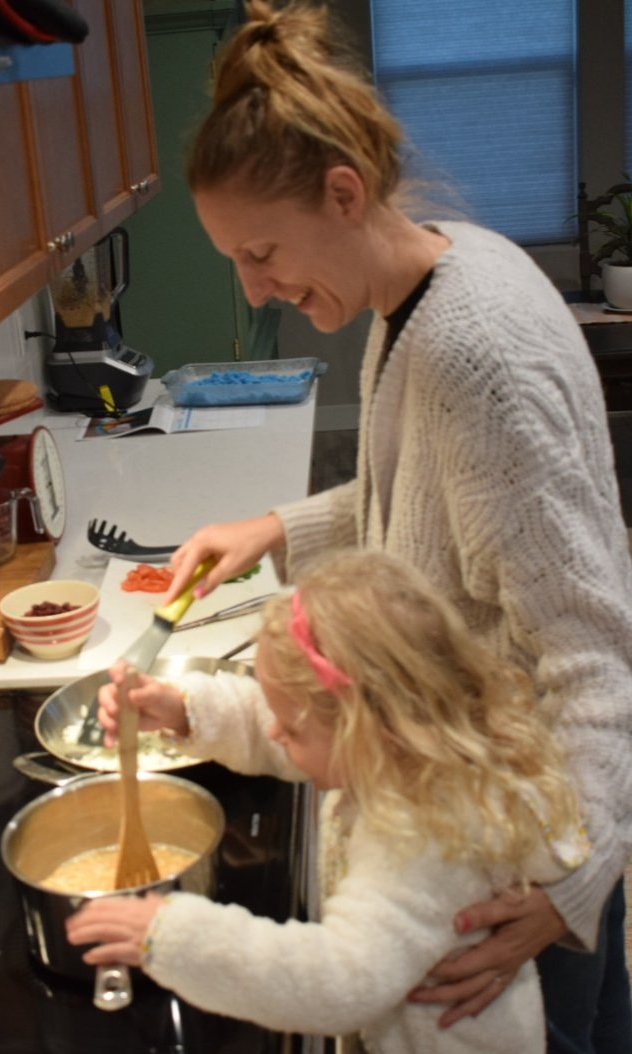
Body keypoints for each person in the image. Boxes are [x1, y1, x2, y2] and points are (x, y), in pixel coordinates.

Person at [147, 2, 632, 1050]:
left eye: (262, 250)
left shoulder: (473, 352)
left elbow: (591, 651)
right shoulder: (430, 276)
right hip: (496, 818)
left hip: (511, 864)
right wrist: (278, 526)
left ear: (344, 191)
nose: (255, 286)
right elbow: (436, 512)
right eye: (236, 257)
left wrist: (571, 886)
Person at [66, 550, 589, 1052]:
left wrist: (174, 936)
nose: (275, 731)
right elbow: (292, 730)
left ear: (368, 729)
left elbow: (342, 982)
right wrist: (184, 710)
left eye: (289, 727)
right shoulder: (402, 748)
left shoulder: (421, 835)